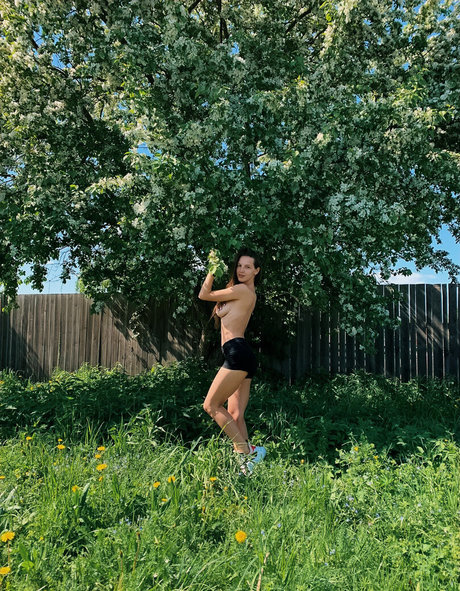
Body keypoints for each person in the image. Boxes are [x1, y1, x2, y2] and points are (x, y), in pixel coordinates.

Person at [198, 248, 266, 474]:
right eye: (239, 266)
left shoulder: (242, 290)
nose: (242, 270)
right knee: (235, 415)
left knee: (211, 405)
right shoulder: (242, 291)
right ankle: (249, 463)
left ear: (256, 271)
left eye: (248, 266)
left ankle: (245, 451)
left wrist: (212, 270)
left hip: (237, 352)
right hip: (241, 353)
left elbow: (204, 294)